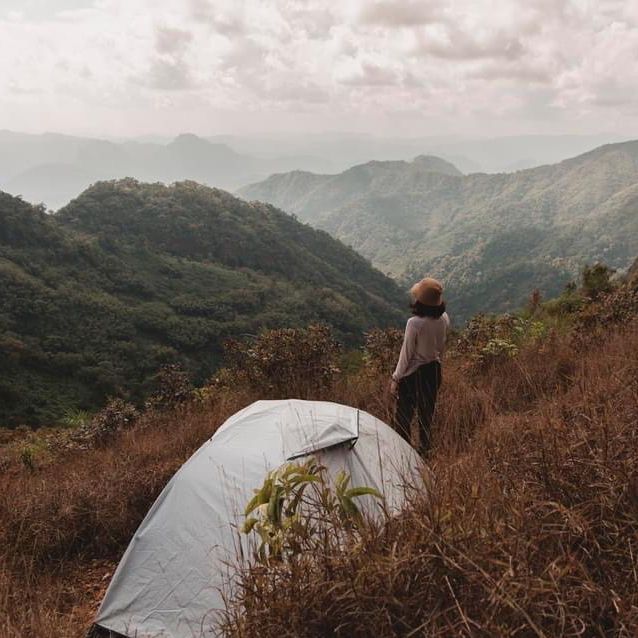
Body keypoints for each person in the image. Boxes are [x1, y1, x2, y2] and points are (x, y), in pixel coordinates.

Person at [389, 277, 450, 454]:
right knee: (426, 416)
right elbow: (441, 347)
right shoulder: (444, 319)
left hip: (414, 374)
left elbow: (406, 353)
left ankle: (404, 452)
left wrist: (396, 378)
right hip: (434, 371)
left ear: (420, 301)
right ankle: (425, 451)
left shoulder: (414, 323)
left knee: (403, 417)